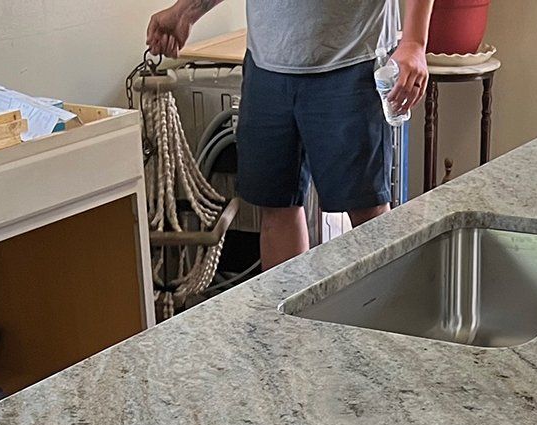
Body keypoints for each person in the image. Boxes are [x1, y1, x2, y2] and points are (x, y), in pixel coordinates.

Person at [147, 0, 433, 269]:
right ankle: (286, 320)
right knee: (276, 208)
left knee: (366, 213)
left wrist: (415, 42)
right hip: (267, 69)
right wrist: (185, 12)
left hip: (351, 63)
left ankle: (378, 319)